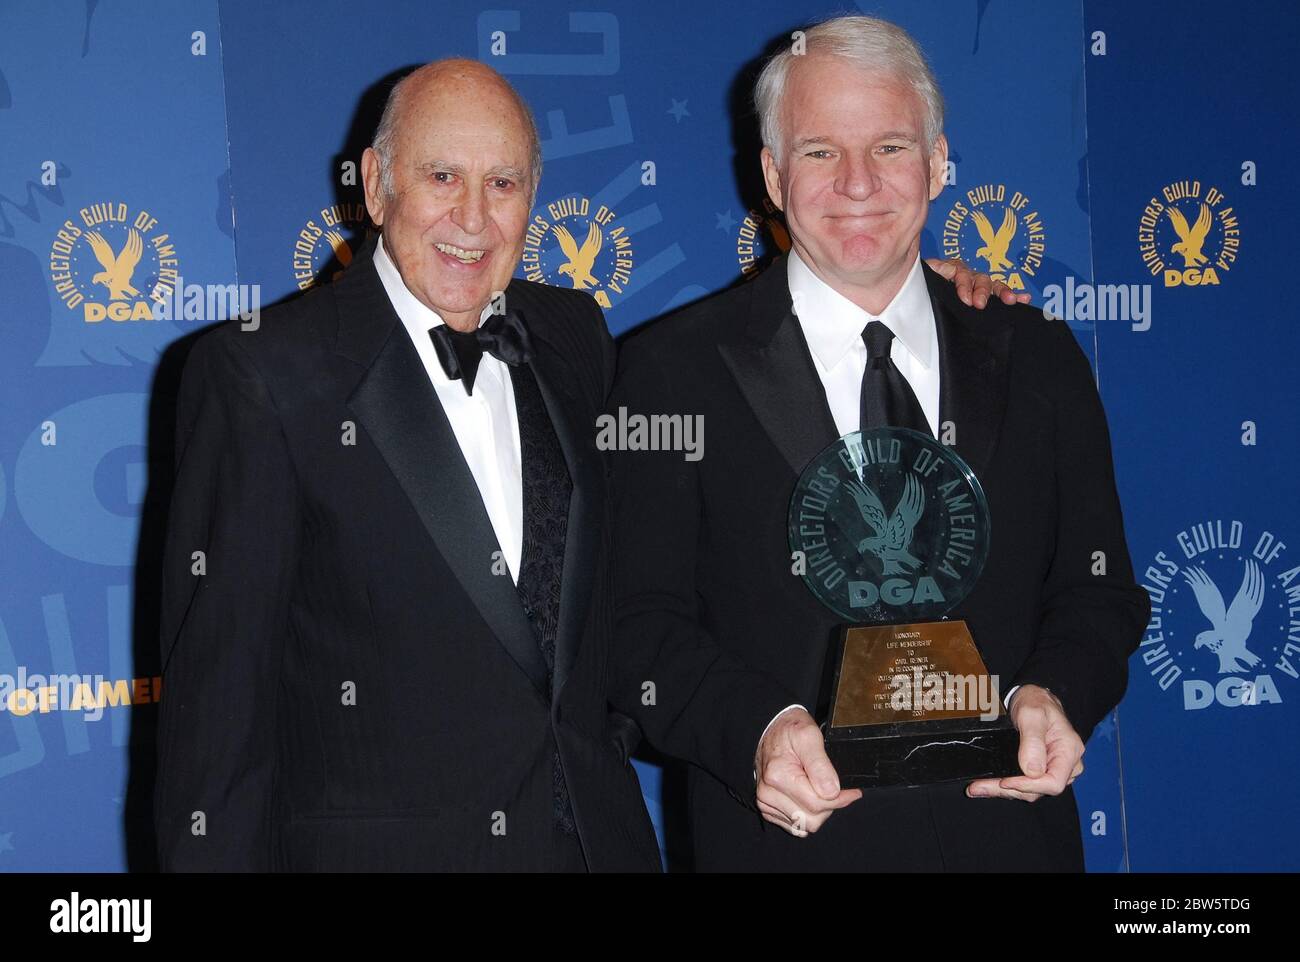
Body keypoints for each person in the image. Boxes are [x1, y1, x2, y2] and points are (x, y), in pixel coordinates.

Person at [153, 55, 1017, 872]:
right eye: (441, 177)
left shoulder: (571, 337)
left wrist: (914, 294)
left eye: (504, 184)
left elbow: (756, 380)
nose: (472, 217)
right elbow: (215, 731)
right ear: (377, 185)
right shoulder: (262, 375)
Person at [608, 15, 1150, 871]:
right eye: (820, 151)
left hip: (1008, 843)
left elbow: (1101, 594)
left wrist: (1054, 694)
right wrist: (756, 730)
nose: (857, 182)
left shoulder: (1040, 357)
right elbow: (634, 625)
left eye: (890, 147)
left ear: (938, 164)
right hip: (781, 848)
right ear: (773, 176)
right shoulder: (668, 376)